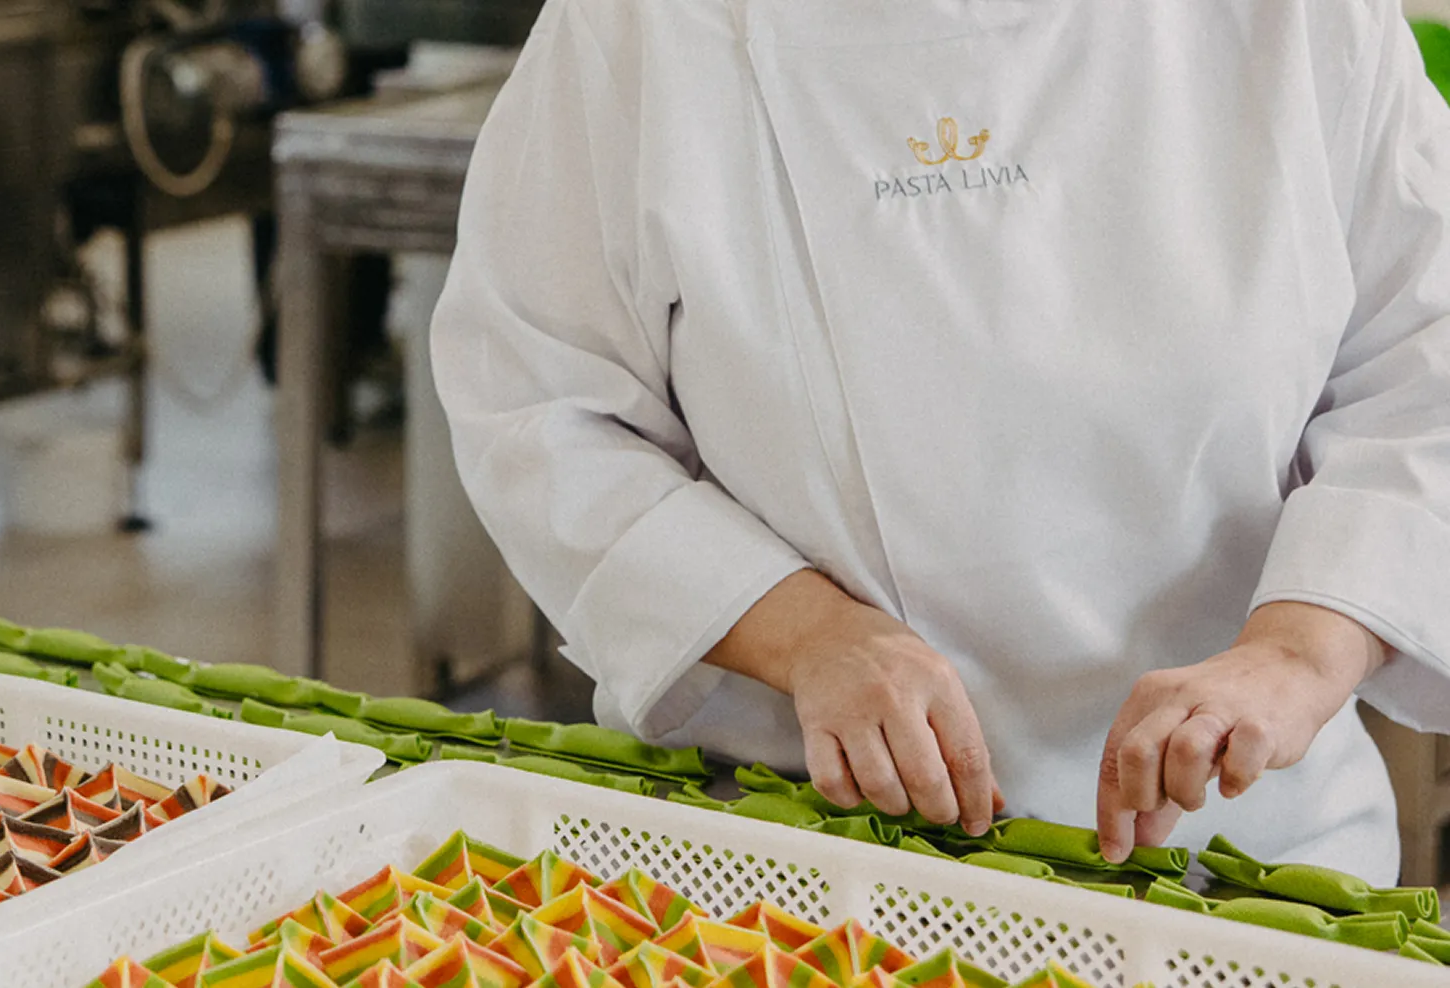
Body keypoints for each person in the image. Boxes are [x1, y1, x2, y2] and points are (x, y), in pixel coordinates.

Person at [434, 0, 1450, 880]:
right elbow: (537, 398)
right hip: (807, 855)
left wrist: (1296, 653)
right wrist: (806, 633)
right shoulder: (642, 29)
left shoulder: (1301, 21)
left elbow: (1427, 363)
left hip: (1247, 860)